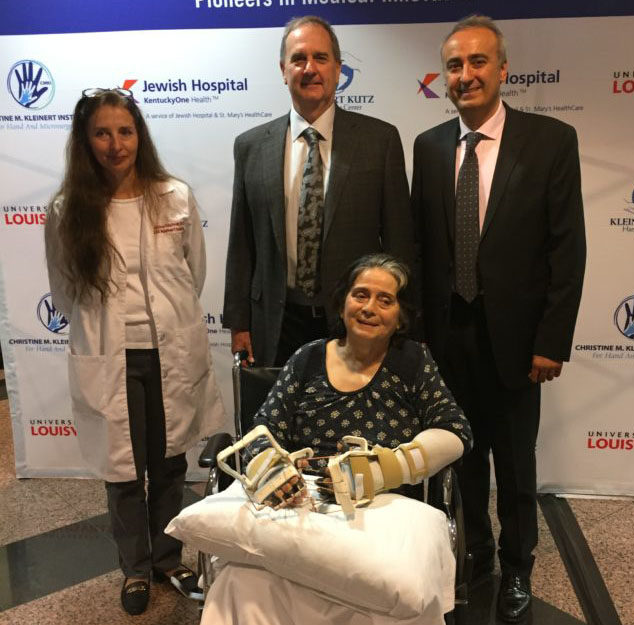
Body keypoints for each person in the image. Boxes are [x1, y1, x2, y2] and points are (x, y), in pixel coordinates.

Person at [411, 15, 586, 623]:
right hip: (447, 339)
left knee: (514, 464)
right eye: (455, 65)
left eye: (478, 62)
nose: (466, 75)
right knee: (461, 457)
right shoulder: (429, 147)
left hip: (517, 341)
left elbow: (568, 249)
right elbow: (422, 251)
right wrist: (417, 343)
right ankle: (477, 556)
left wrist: (551, 341)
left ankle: (517, 569)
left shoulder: (550, 141)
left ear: (503, 69)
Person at [204, 253, 472, 624]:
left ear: (400, 317)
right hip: (302, 502)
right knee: (238, 581)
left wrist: (382, 470)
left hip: (381, 508)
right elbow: (264, 429)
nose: (369, 308)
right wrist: (270, 467)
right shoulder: (307, 359)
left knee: (390, 591)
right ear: (343, 302)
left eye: (385, 300)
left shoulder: (412, 362)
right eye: (360, 294)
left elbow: (456, 431)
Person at [44, 88, 226, 615]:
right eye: (102, 132)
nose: (115, 143)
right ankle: (135, 569)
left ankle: (169, 558)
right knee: (123, 472)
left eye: (125, 131)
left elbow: (195, 271)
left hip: (169, 354)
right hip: (110, 360)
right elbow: (63, 289)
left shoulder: (174, 196)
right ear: (85, 140)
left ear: (139, 136)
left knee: (169, 463)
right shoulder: (67, 210)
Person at [223, 16, 414, 367]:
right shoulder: (250, 146)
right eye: (298, 59)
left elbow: (399, 242)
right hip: (276, 323)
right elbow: (241, 244)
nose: (309, 68)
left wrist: (397, 323)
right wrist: (239, 322)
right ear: (283, 70)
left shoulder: (379, 141)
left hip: (354, 321)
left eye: (321, 58)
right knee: (279, 422)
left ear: (338, 68)